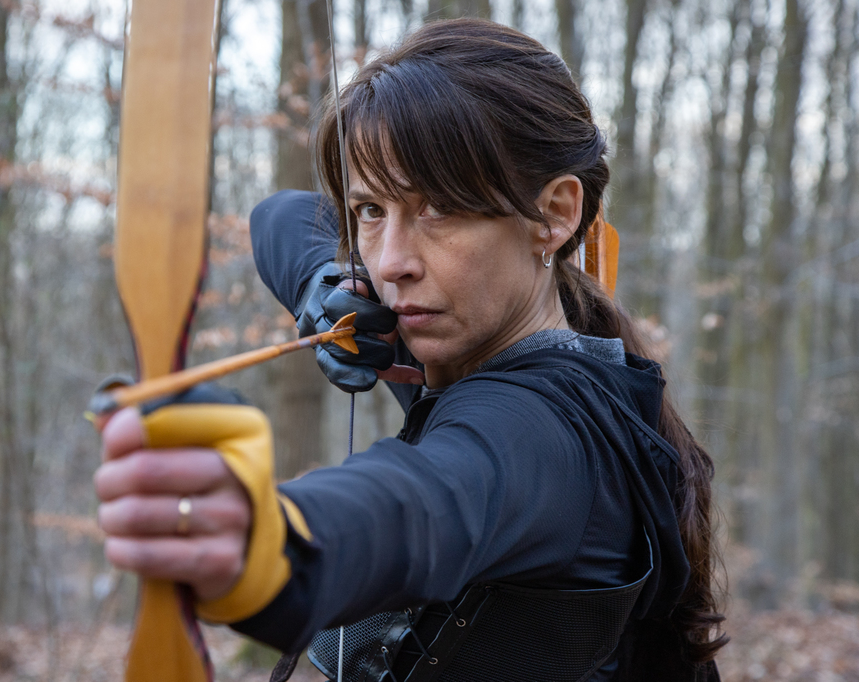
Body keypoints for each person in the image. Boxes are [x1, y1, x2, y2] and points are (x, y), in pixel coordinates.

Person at [94, 18, 727, 682]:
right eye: (370, 210)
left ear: (554, 215)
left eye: (439, 209)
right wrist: (324, 286)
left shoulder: (542, 428)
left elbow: (422, 505)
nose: (391, 263)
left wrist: (261, 538)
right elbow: (280, 216)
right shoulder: (467, 337)